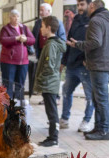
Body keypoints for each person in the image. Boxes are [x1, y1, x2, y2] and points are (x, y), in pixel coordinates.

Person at [67, 0, 109, 141]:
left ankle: (103, 130)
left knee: (101, 99)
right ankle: (98, 128)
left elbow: (95, 42)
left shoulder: (96, 20)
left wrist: (77, 44)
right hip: (108, 65)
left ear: (92, 6)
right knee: (98, 98)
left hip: (99, 66)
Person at [60, 0, 94, 133]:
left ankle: (86, 120)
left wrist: (87, 59)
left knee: (89, 96)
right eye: (78, 5)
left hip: (85, 66)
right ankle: (64, 119)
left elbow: (94, 43)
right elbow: (69, 41)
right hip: (72, 65)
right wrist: (64, 61)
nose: (79, 8)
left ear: (89, 5)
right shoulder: (76, 19)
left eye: (82, 5)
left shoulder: (93, 20)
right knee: (66, 91)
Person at [34, 16, 66, 148]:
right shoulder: (51, 43)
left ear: (48, 28)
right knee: (50, 111)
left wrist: (41, 78)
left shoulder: (52, 45)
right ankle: (52, 136)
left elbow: (50, 65)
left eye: (42, 26)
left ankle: (54, 138)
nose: (40, 29)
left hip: (49, 83)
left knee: (52, 111)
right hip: (49, 82)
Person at [0, 9, 35, 106]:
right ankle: (8, 104)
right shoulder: (5, 29)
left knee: (20, 84)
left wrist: (26, 39)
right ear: (10, 18)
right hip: (8, 61)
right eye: (14, 16)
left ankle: (19, 104)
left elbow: (32, 40)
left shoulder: (24, 28)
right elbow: (3, 40)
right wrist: (16, 38)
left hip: (23, 62)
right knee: (8, 83)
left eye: (18, 16)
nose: (16, 18)